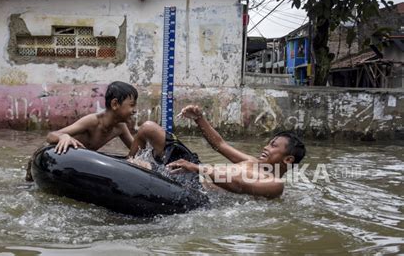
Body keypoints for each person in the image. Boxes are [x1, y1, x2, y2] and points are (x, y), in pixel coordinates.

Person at [131, 105, 306, 199]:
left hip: (195, 187)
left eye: (273, 146)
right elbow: (220, 145)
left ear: (288, 159)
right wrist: (199, 119)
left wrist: (197, 169)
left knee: (141, 166)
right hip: (193, 170)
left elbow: (240, 186)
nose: (266, 148)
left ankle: (130, 169)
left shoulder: (275, 184)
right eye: (268, 144)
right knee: (148, 128)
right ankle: (125, 161)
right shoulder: (252, 162)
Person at [25, 81, 137, 181]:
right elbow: (51, 136)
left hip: (74, 162)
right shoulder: (93, 121)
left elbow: (137, 151)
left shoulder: (120, 127)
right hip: (46, 157)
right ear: (115, 104)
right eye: (132, 105)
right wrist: (63, 137)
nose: (135, 110)